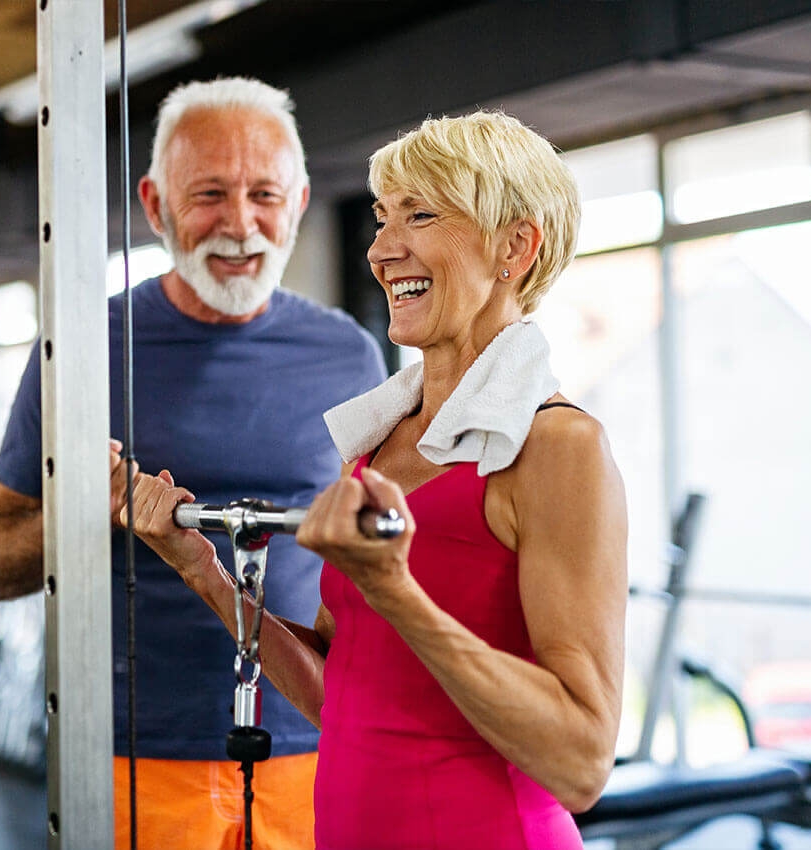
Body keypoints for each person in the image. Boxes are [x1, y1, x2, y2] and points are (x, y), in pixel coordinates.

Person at [129, 110, 628, 849]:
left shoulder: (558, 446)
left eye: (419, 216)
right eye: (382, 219)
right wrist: (202, 573)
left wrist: (396, 589)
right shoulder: (375, 446)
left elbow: (582, 762)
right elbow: (346, 697)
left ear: (515, 246)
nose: (383, 250)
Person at [0, 76, 387, 850]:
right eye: (209, 195)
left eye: (264, 194)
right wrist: (80, 512)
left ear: (298, 203)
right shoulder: (83, 347)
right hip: (135, 755)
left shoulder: (350, 355)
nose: (240, 225)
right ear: (156, 206)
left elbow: (375, 562)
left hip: (320, 747)